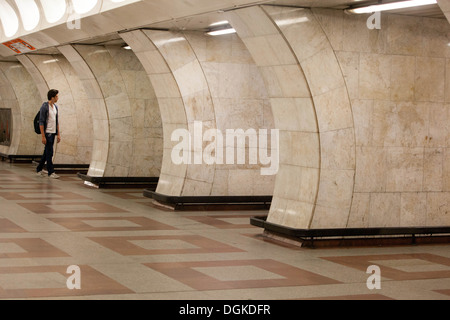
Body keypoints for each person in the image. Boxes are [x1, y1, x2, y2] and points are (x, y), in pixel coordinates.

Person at [36, 89, 61, 179]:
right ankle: (51, 172)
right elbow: (41, 122)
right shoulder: (44, 107)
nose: (58, 98)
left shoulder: (55, 107)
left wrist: (58, 134)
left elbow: (56, 121)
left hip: (53, 132)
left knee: (47, 152)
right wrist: (43, 136)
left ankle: (39, 169)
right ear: (52, 97)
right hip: (47, 133)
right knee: (49, 152)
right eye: (56, 96)